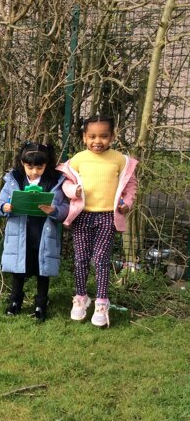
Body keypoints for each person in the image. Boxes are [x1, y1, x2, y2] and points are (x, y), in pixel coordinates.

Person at [58, 115, 138, 328]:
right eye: (92, 136)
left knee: (101, 259)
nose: (97, 141)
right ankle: (81, 297)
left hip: (107, 217)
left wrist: (127, 203)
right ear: (84, 137)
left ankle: (102, 302)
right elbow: (65, 182)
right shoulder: (78, 159)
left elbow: (131, 185)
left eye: (103, 136)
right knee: (81, 259)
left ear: (112, 136)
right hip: (82, 216)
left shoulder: (120, 160)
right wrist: (73, 191)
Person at [0, 142, 69, 321]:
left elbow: (65, 208)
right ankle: (15, 301)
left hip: (44, 234)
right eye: (30, 167)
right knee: (18, 270)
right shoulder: (14, 179)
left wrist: (55, 210)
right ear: (22, 163)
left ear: (47, 164)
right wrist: (5, 207)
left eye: (39, 167)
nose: (34, 172)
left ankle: (41, 304)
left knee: (43, 270)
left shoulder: (55, 181)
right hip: (20, 234)